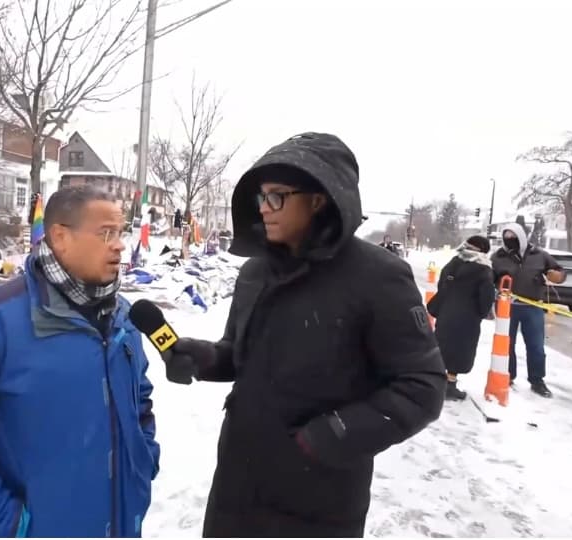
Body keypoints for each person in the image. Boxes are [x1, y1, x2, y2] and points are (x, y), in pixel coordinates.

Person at [159, 132, 446, 537]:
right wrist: (205, 358)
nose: (264, 207)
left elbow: (423, 386)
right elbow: (239, 354)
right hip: (236, 492)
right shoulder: (254, 273)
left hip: (319, 503)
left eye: (277, 196)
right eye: (261, 197)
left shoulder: (378, 277)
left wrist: (334, 434)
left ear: (318, 200)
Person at [0, 185, 160, 538]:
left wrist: (142, 465)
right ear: (60, 237)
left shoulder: (125, 318)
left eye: (121, 232)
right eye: (106, 233)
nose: (119, 245)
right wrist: (10, 530)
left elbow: (140, 403)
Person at [491, 223, 566, 398]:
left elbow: (558, 271)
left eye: (513, 237)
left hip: (533, 307)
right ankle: (507, 375)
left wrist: (557, 276)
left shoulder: (539, 255)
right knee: (506, 344)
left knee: (536, 346)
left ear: (521, 237)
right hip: (507, 308)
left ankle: (537, 380)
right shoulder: (498, 257)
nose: (509, 240)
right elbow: (488, 279)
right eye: (506, 237)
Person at [426, 235, 497, 401]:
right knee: (460, 351)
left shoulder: (454, 262)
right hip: (467, 318)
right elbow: (486, 297)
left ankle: (436, 381)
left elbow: (442, 284)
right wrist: (482, 312)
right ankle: (450, 385)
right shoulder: (483, 269)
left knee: (442, 345)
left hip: (446, 312)